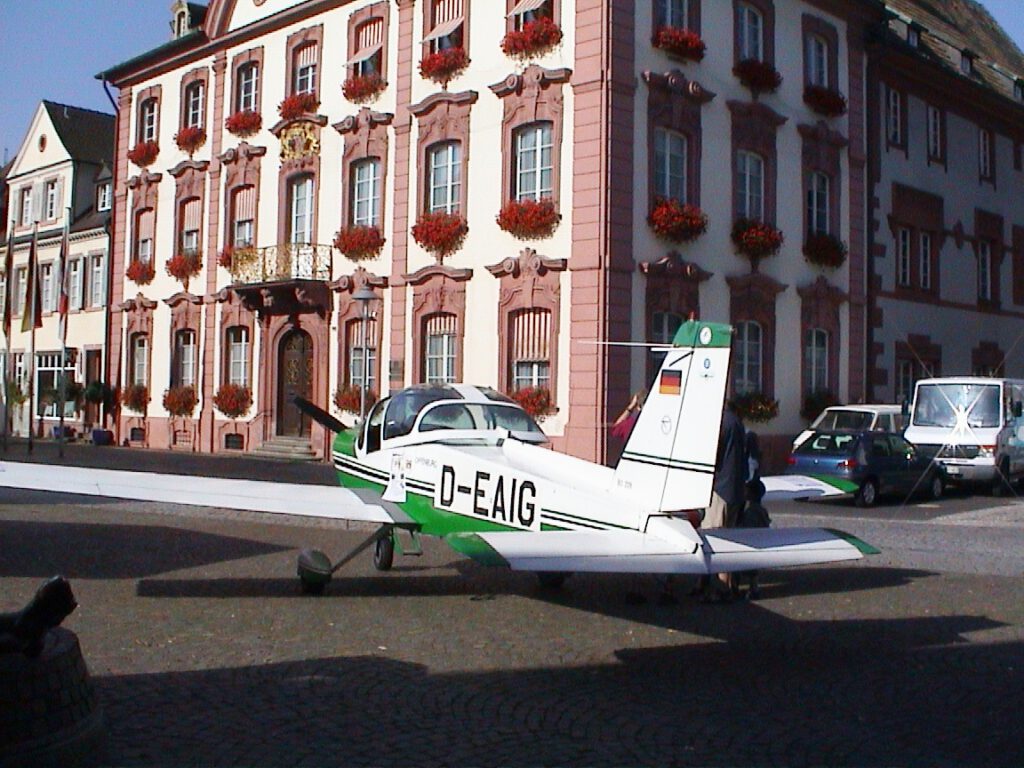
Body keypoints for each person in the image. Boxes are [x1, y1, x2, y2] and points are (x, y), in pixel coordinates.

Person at [698, 400, 747, 602]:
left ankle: (721, 589)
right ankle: (721, 586)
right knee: (728, 537)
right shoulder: (736, 422)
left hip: (720, 488)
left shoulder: (721, 424)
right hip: (735, 488)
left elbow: (711, 457)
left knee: (716, 539)